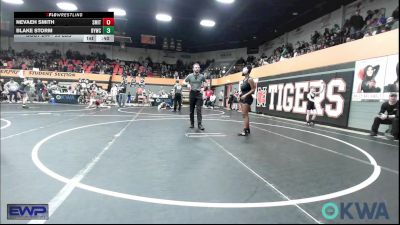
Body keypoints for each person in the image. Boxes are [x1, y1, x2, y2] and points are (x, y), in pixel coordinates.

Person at [183, 63, 206, 130]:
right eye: (196, 67)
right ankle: (192, 124)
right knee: (191, 110)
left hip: (199, 94)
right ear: (193, 69)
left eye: (198, 67)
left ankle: (199, 124)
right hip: (192, 93)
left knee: (199, 110)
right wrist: (187, 84)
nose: (197, 68)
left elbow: (206, 82)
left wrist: (203, 88)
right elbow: (184, 81)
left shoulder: (202, 76)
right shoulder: (190, 76)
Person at [238, 65, 256, 136]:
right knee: (244, 115)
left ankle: (245, 130)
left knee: (245, 115)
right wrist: (239, 95)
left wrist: (245, 95)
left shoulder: (250, 79)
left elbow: (253, 89)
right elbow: (243, 90)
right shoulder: (244, 80)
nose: (243, 69)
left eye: (245, 68)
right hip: (243, 98)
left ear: (248, 70)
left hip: (247, 98)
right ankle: (247, 129)